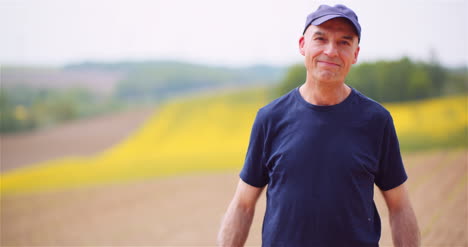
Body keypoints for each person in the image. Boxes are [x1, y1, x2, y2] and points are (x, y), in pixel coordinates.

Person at [217, 4, 420, 247]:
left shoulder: (376, 121)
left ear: (355, 54)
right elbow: (243, 204)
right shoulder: (270, 119)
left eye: (344, 42)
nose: (331, 51)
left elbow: (399, 206)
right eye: (320, 39)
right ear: (303, 45)